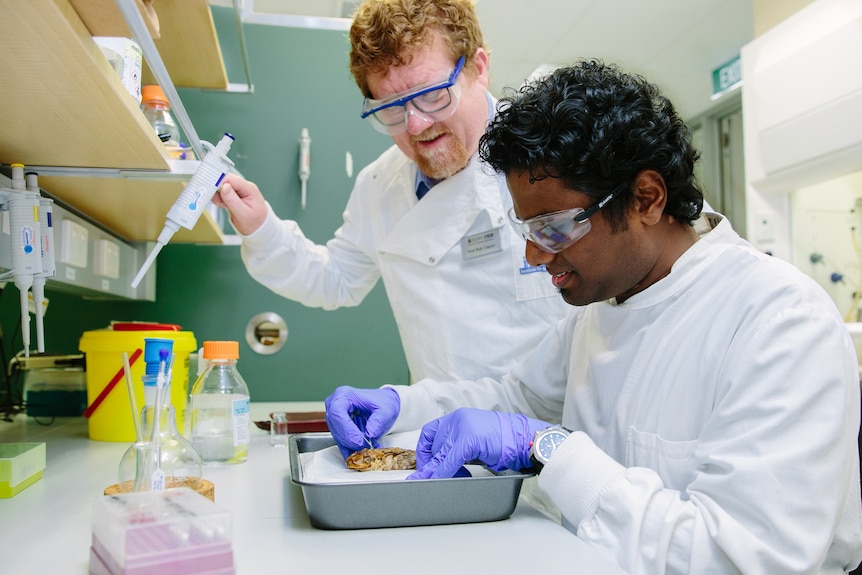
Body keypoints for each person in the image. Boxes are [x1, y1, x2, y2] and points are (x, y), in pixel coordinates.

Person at [324, 60, 862, 573]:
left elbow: (745, 560)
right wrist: (400, 404)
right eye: (527, 231)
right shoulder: (601, 310)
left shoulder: (779, 322)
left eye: (552, 228)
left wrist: (550, 449)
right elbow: (515, 401)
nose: (533, 256)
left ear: (646, 198)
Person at [212, 0, 566, 383]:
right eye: (391, 108)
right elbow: (337, 279)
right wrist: (261, 226)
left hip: (553, 430)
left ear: (478, 69)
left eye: (431, 94)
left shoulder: (554, 155)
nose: (415, 125)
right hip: (441, 430)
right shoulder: (379, 185)